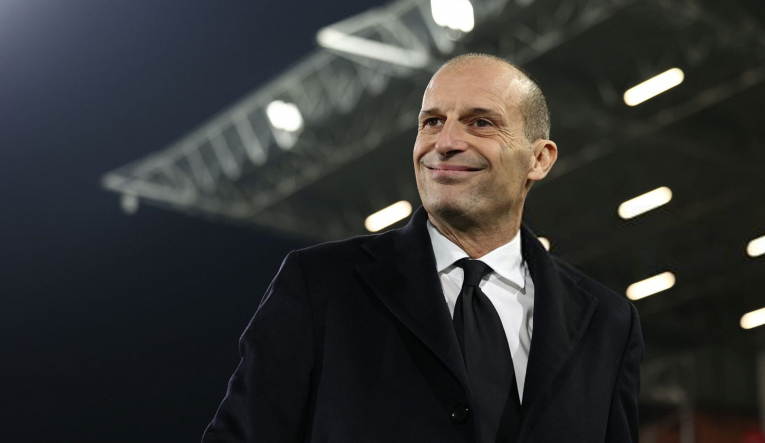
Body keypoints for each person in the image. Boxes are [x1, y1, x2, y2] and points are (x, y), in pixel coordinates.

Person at [202, 53, 644, 442]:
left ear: (539, 158)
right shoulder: (320, 284)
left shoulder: (608, 323)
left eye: (480, 122)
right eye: (432, 122)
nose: (445, 143)